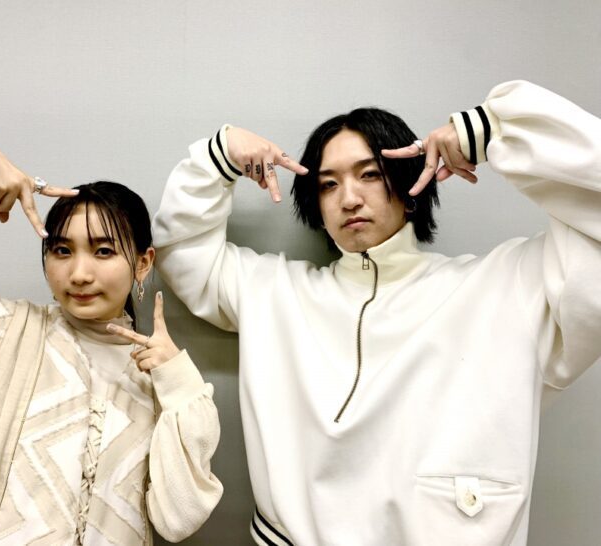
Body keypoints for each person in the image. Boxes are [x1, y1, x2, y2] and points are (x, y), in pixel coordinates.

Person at [152, 80, 601, 545]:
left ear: (409, 183)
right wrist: (221, 154)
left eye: (369, 175)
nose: (348, 198)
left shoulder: (506, 286)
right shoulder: (274, 292)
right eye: (328, 184)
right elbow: (181, 251)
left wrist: (496, 130)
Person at [0, 138, 223, 545]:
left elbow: (178, 519)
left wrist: (179, 383)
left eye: (103, 251)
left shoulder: (160, 381)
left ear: (142, 263)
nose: (79, 273)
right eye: (61, 250)